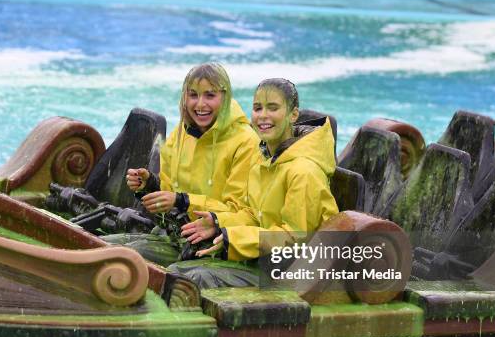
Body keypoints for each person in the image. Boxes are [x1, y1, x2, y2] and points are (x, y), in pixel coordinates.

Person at [175, 78, 339, 288]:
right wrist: (218, 223)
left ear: (293, 115)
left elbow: (296, 238)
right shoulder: (264, 158)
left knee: (191, 280)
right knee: (179, 269)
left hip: (295, 273)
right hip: (265, 260)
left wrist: (232, 238)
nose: (263, 116)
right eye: (257, 108)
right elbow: (254, 215)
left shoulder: (304, 171)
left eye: (273, 108)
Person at [105, 62, 260, 266]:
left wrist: (182, 200)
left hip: (211, 247)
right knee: (101, 246)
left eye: (210, 95)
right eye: (193, 95)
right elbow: (169, 194)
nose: (200, 104)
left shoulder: (246, 142)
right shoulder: (181, 133)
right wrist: (150, 185)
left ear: (225, 97)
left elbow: (242, 212)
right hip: (173, 236)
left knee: (120, 259)